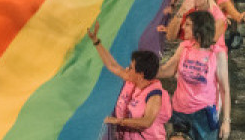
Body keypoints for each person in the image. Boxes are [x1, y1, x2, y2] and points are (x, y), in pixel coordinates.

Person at [86, 23, 171, 140]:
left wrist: (117, 121)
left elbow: (147, 122)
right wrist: (96, 41)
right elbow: (112, 65)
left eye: (131, 67)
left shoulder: (154, 95)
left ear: (140, 74)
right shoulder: (133, 79)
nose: (127, 69)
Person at [159, 10, 231, 139]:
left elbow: (225, 90)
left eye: (187, 25)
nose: (183, 27)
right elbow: (168, 70)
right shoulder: (184, 47)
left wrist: (226, 121)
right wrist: (146, 72)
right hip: (180, 112)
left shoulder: (217, 54)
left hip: (203, 116)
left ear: (199, 28)